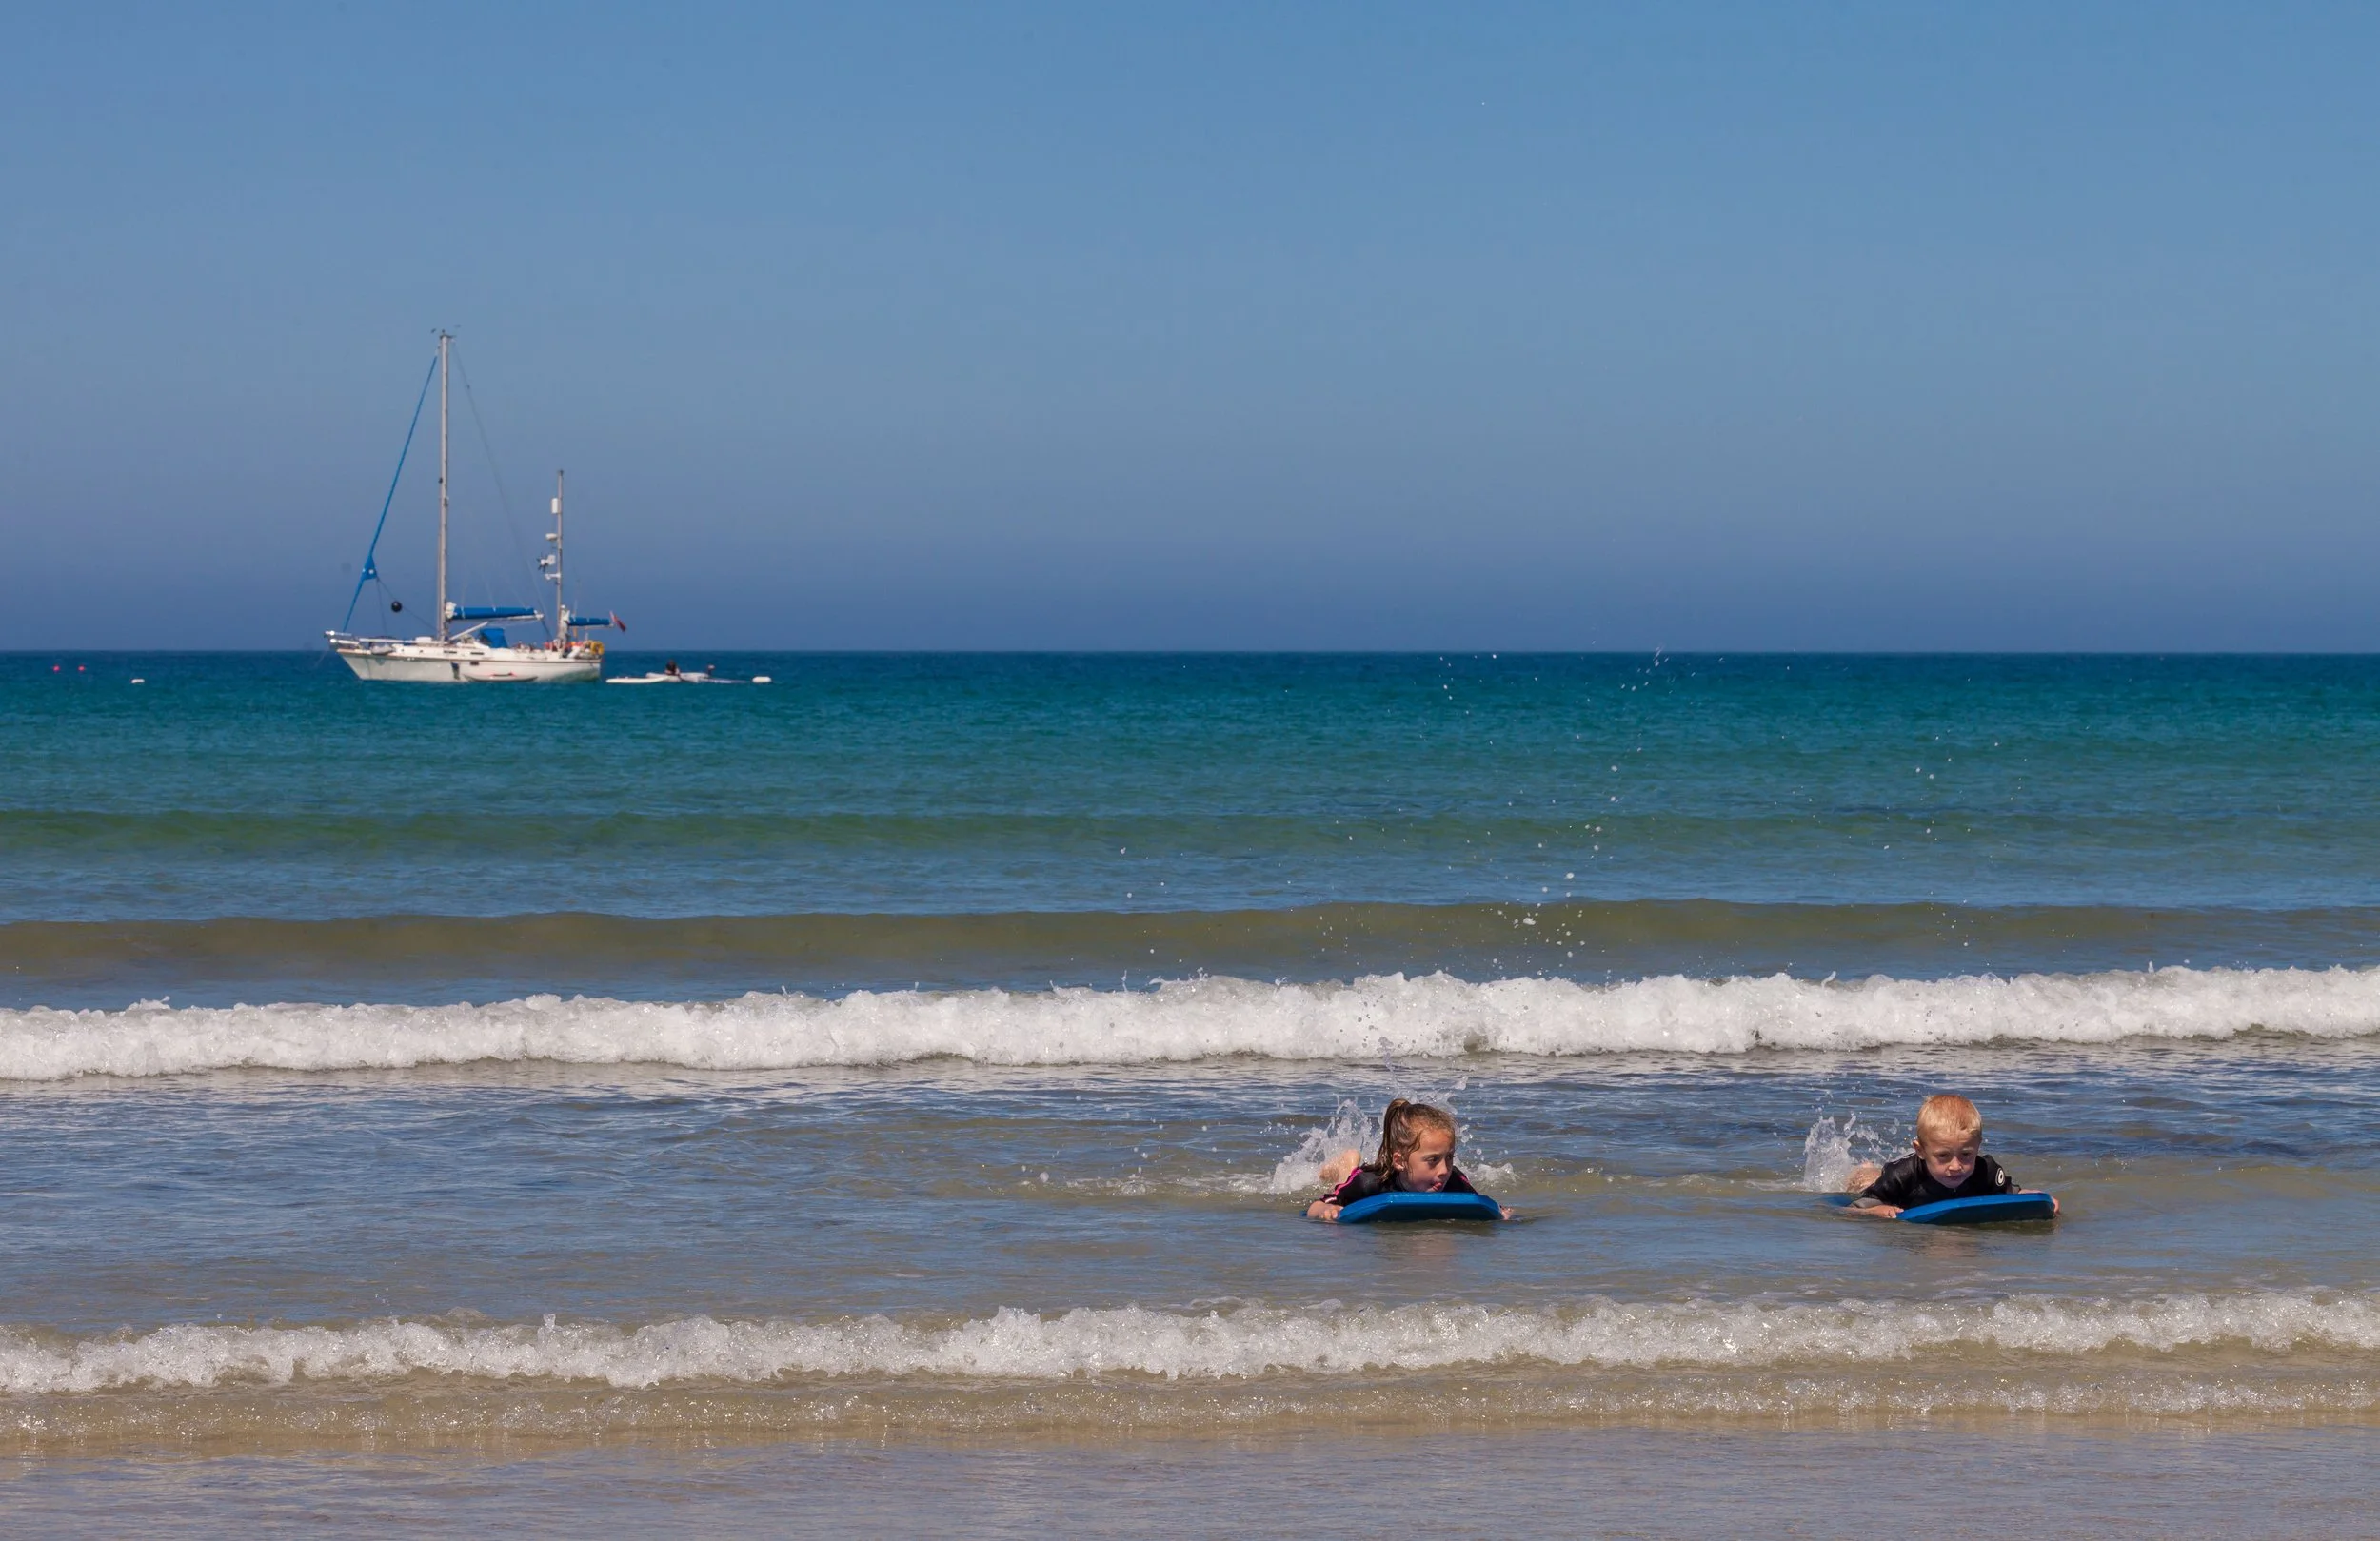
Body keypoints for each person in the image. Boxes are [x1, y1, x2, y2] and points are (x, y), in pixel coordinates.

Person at [1842, 1094, 2058, 1218]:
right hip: (1888, 1188)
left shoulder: (1986, 1170)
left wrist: (2037, 1198)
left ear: (1978, 1146)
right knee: (1865, 1181)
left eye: (1966, 1154)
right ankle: (1863, 1169)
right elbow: (1852, 1209)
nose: (1956, 1166)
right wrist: (1877, 1210)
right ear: (1920, 1151)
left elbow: (2011, 1193)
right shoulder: (1902, 1175)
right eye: (1943, 1156)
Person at [1306, 1098, 1511, 1221]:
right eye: (1432, 1160)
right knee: (1345, 1179)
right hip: (1362, 1178)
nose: (1444, 1170)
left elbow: (1485, 1206)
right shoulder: (1369, 1183)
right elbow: (1314, 1207)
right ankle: (1348, 1162)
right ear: (1400, 1161)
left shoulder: (1454, 1180)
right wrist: (1327, 1210)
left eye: (1449, 1158)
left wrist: (1503, 1214)